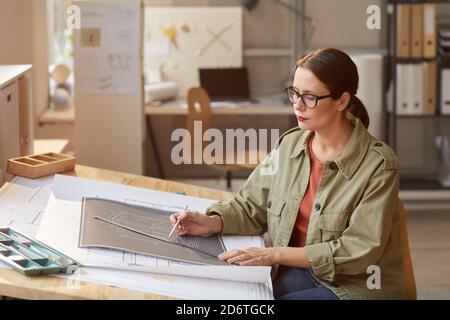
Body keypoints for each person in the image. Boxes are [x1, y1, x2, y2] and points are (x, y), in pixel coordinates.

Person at [170, 48, 405, 300]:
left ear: (342, 101)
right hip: (297, 270)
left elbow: (359, 250)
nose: (297, 105)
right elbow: (251, 205)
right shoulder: (290, 145)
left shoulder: (378, 164)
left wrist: (273, 254)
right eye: (294, 93)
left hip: (355, 285)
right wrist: (212, 222)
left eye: (309, 97)